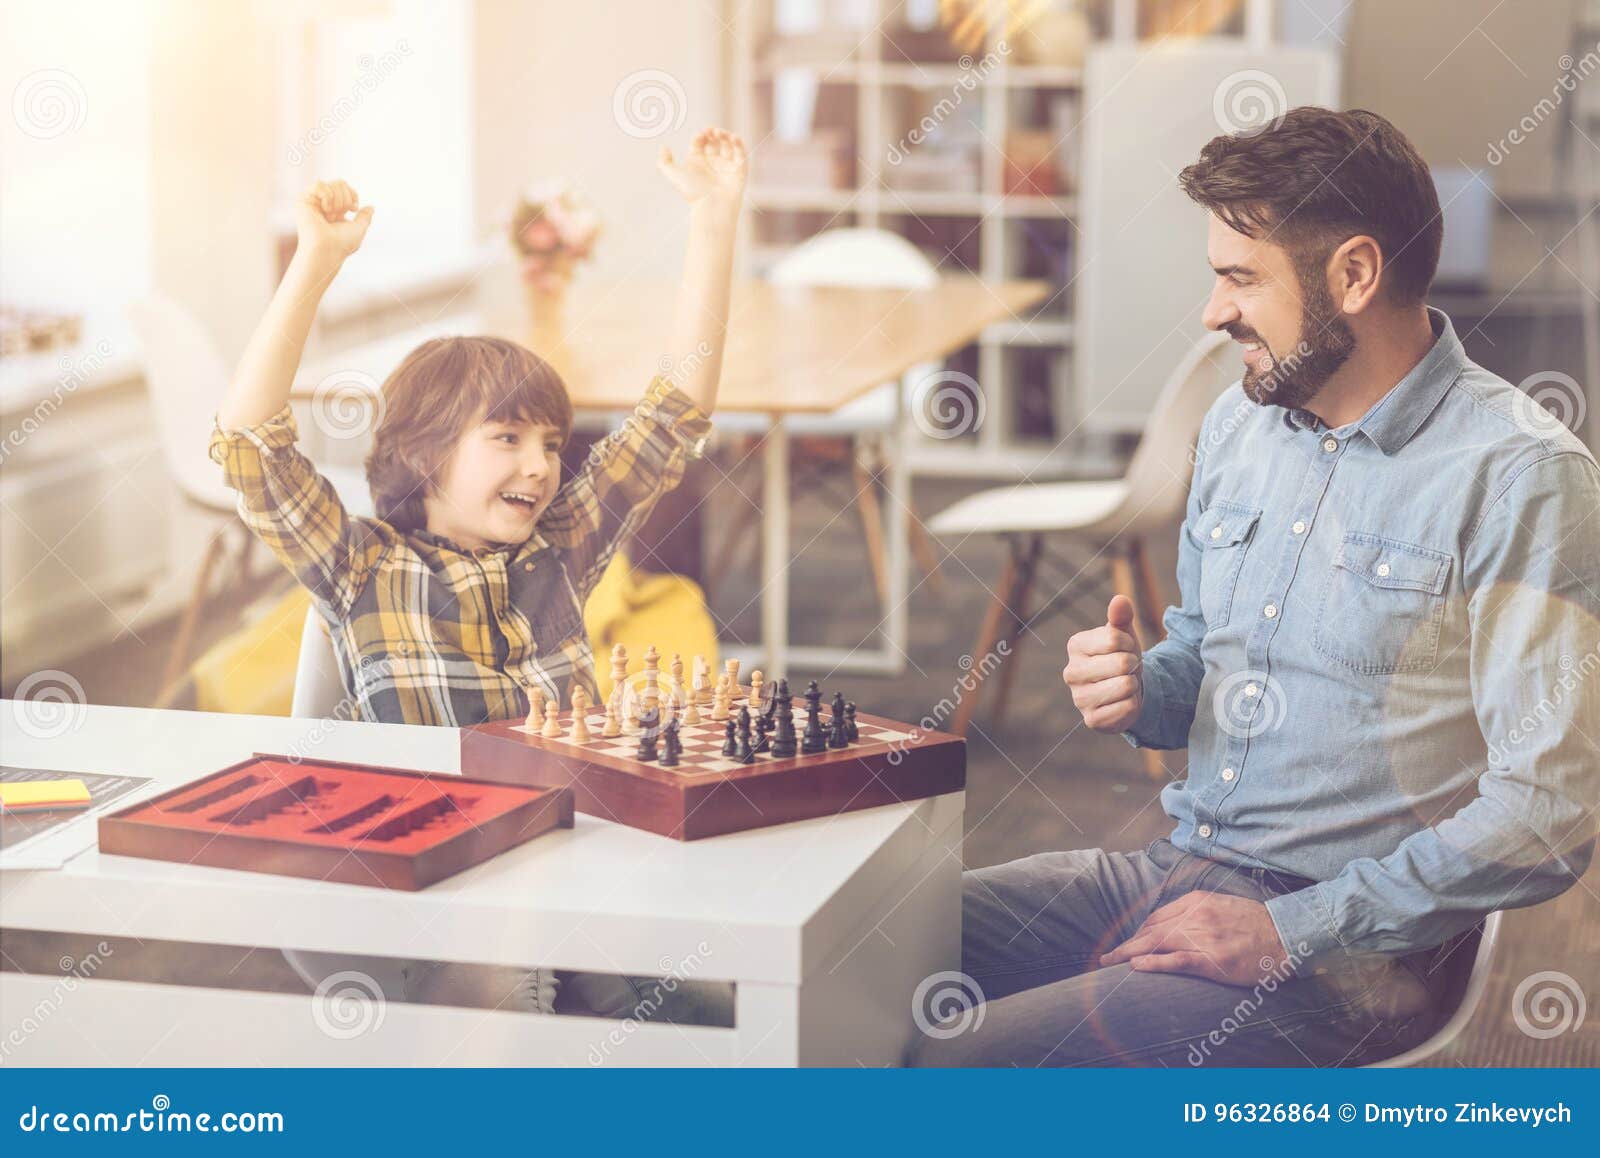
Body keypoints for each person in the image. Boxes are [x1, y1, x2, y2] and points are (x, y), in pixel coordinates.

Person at [912, 107, 1599, 1067]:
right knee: (862, 947)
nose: (1212, 312)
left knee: (958, 1064)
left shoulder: (1521, 474)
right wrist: (1144, 686)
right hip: (1172, 872)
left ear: (1355, 274)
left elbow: (1550, 811)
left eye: (1241, 278)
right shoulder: (1241, 426)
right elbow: (1202, 653)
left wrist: (1291, 932)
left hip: (1352, 959)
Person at [212, 128, 747, 1020]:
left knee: (716, 1011)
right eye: (506, 440)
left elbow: (676, 410)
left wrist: (714, 220)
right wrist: (314, 264)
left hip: (580, 862)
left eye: (548, 443)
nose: (540, 467)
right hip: (446, 893)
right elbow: (249, 446)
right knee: (527, 1001)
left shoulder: (565, 544)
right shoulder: (364, 567)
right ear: (423, 454)